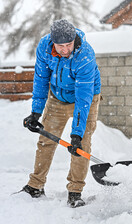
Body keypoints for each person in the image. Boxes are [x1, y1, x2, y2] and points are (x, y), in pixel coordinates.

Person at [22, 19, 101, 208]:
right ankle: (35, 186)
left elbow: (83, 99)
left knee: (81, 145)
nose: (65, 50)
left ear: (74, 40)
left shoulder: (85, 56)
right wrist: (35, 113)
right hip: (57, 97)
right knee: (45, 141)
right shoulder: (44, 47)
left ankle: (75, 192)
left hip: (86, 98)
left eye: (68, 45)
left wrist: (76, 134)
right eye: (60, 46)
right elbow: (41, 80)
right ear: (52, 41)